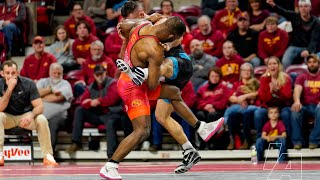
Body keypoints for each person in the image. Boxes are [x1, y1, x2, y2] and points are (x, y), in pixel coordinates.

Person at [100, 15, 223, 179]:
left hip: (158, 71)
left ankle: (197, 133)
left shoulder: (146, 27)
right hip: (135, 84)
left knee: (167, 96)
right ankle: (111, 165)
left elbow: (127, 29)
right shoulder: (148, 39)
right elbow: (151, 83)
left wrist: (146, 23)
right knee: (152, 122)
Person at [0, 60, 58, 166]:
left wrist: (31, 115)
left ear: (17, 73)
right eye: (7, 73)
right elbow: (0, 108)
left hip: (25, 117)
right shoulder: (0, 84)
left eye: (13, 73)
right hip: (7, 117)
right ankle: (0, 154)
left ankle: (48, 155)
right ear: (2, 74)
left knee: (42, 119)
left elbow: (40, 106)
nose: (10, 76)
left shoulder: (28, 83)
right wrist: (10, 88)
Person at [66, 64, 122, 158]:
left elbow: (112, 99)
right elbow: (82, 101)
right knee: (80, 110)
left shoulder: (112, 83)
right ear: (94, 75)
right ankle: (76, 142)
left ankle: (112, 154)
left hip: (111, 113)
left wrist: (98, 101)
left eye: (102, 74)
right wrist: (90, 103)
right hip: (98, 114)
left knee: (110, 122)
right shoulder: (91, 86)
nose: (100, 76)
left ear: (105, 73)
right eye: (97, 74)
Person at [266, 0, 320, 69]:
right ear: (299, 8)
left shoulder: (316, 22)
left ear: (310, 8)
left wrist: (308, 50)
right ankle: (284, 78)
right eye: (301, 7)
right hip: (296, 46)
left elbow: (314, 40)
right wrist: (274, 6)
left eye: (306, 6)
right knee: (285, 61)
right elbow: (283, 12)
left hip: (310, 47)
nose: (303, 9)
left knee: (311, 62)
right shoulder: (294, 16)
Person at [36, 63, 73, 152]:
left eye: (59, 73)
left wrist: (43, 96)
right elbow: (36, 94)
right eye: (54, 73)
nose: (56, 75)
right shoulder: (42, 81)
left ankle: (49, 154)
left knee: (52, 123)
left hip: (59, 116)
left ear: (62, 73)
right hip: (42, 114)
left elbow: (58, 98)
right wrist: (50, 90)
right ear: (49, 72)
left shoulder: (65, 84)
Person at [254, 56, 292, 138]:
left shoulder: (286, 78)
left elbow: (288, 96)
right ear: (267, 67)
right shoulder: (264, 79)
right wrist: (270, 92)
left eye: (274, 63)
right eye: (270, 64)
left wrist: (277, 91)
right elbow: (263, 98)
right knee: (258, 114)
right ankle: (260, 140)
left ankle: (288, 140)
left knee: (286, 114)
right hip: (268, 107)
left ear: (279, 66)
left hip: (282, 107)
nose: (272, 66)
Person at [225, 63, 260, 150]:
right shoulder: (236, 84)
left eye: (249, 70)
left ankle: (247, 140)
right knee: (233, 115)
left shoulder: (255, 82)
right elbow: (231, 97)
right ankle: (232, 140)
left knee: (246, 114)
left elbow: (257, 93)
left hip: (252, 109)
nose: (246, 72)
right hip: (239, 108)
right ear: (241, 72)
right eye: (244, 70)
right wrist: (239, 100)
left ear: (251, 72)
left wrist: (244, 96)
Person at [290, 54, 320, 149]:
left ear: (318, 64)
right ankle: (298, 142)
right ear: (307, 64)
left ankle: (314, 140)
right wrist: (297, 101)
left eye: (314, 62)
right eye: (310, 62)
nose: (312, 64)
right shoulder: (302, 77)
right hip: (305, 106)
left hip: (318, 106)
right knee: (295, 111)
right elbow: (297, 90)